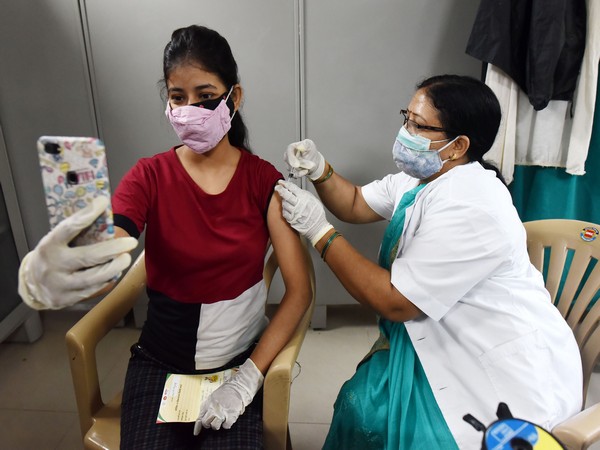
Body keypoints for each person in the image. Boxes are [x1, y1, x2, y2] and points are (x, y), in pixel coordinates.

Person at [18, 25, 311, 449]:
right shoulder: (148, 176)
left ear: (235, 97)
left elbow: (298, 292)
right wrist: (59, 268)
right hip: (160, 365)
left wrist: (247, 380)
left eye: (206, 96)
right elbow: (113, 241)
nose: (191, 108)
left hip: (236, 364)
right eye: (178, 97)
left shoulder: (263, 182)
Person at [275, 74, 583, 449]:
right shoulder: (421, 178)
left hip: (496, 367)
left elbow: (395, 301)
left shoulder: (474, 205)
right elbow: (355, 202)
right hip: (435, 332)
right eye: (407, 118)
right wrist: (320, 170)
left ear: (458, 146)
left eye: (419, 126)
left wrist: (319, 231)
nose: (406, 131)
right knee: (360, 407)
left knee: (404, 430)